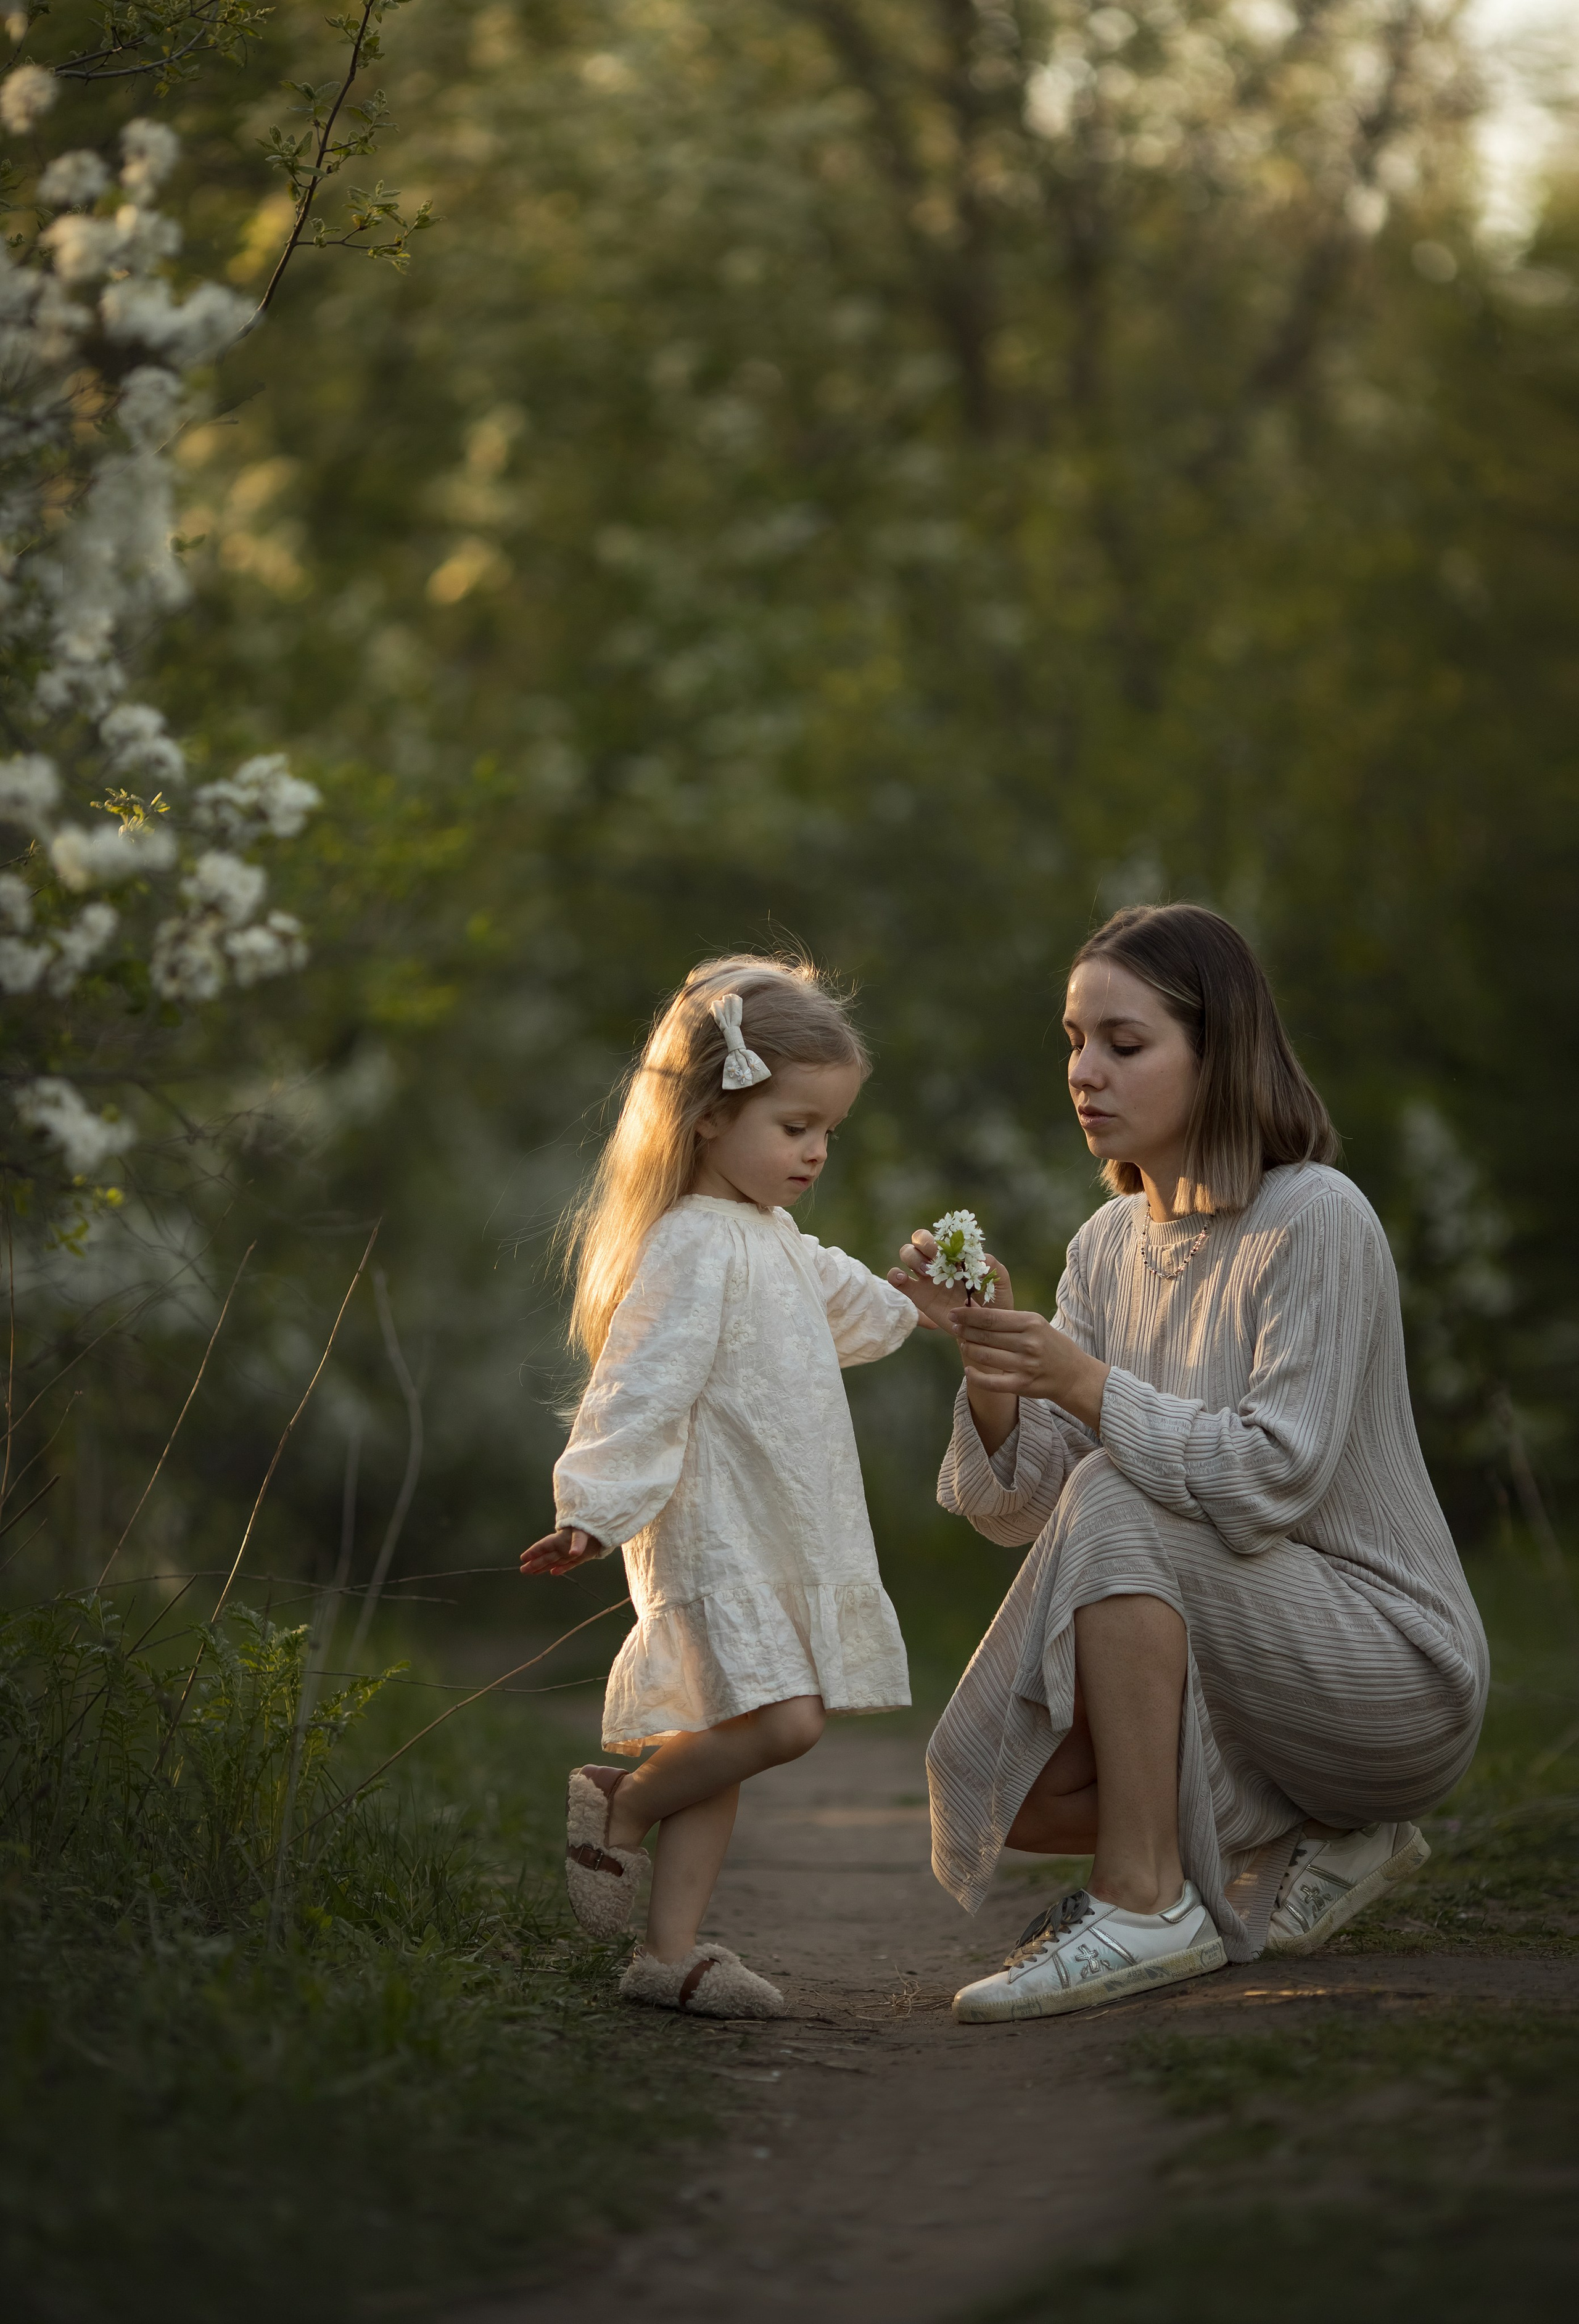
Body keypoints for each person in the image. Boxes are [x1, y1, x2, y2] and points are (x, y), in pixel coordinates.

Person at [889, 904, 1489, 2023]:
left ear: (1220, 1056)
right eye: (1075, 1041)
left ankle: (1147, 1901)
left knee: (1117, 1492)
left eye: (1125, 1043)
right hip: (1240, 1674)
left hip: (1389, 1673)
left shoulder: (1316, 1217)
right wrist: (994, 1361)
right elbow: (1023, 1510)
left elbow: (1270, 1478)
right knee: (1012, 1783)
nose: (1086, 1072)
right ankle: (1321, 1837)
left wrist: (1086, 1383)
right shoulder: (1105, 1245)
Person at [522, 954, 917, 2018]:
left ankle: (668, 1952)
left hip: (779, 1526)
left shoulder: (773, 1236)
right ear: (708, 1118)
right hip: (714, 1529)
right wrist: (592, 1509)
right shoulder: (692, 1244)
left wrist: (923, 1297)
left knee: (727, 1732)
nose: (816, 1150)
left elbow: (856, 1310)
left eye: (828, 1129)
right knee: (784, 1721)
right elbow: (639, 1383)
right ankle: (622, 1804)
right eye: (795, 1126)